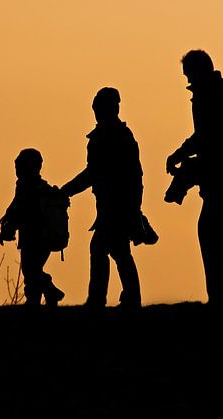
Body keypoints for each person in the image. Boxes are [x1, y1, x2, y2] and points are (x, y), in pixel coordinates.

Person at [165, 49, 223, 306]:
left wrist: (183, 159)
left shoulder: (214, 97)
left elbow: (209, 139)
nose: (188, 83)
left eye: (189, 76)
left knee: (213, 231)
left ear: (199, 71)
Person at [61, 87, 143, 309]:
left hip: (116, 205)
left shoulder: (111, 138)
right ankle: (129, 297)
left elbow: (94, 173)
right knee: (118, 251)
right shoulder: (115, 136)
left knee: (101, 248)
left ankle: (101, 299)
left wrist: (65, 191)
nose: (97, 112)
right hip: (112, 205)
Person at [0, 148, 66, 308]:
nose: (16, 169)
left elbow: (18, 210)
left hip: (34, 237)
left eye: (19, 165)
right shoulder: (41, 187)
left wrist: (8, 229)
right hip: (43, 237)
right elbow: (16, 210)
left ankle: (48, 293)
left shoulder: (26, 188)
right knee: (32, 270)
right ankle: (38, 298)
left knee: (31, 270)